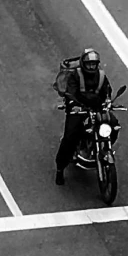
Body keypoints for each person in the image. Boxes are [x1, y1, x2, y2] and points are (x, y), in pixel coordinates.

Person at [54, 47, 112, 184]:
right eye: (89, 64)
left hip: (96, 109)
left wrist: (108, 101)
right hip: (79, 108)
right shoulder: (75, 75)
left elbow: (107, 91)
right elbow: (70, 92)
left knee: (113, 125)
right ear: (83, 64)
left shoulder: (102, 76)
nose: (91, 67)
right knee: (69, 137)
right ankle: (60, 168)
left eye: (94, 64)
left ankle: (104, 148)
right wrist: (74, 104)